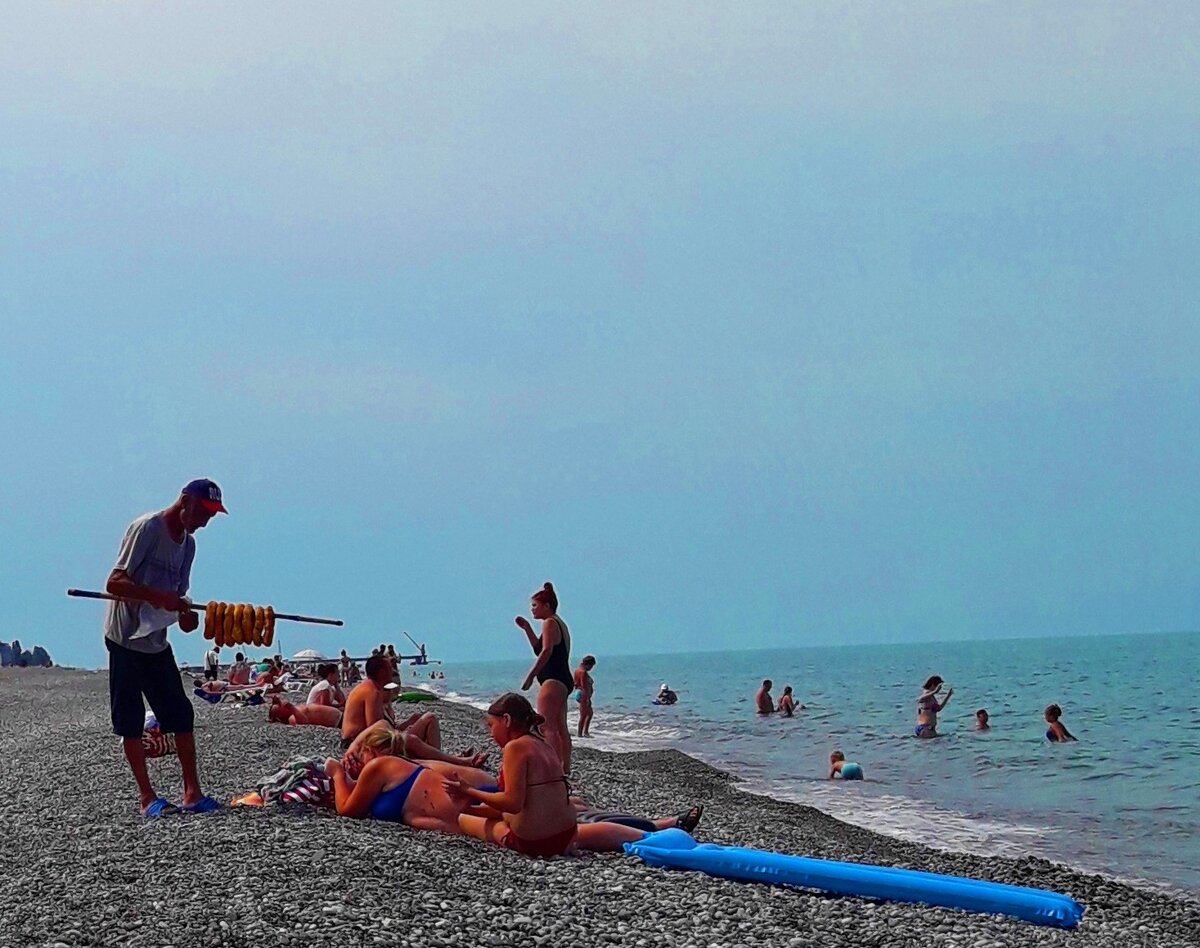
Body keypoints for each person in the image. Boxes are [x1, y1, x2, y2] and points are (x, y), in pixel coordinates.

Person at [103, 478, 226, 817]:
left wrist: (185, 617)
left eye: (211, 516)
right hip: (126, 637)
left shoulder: (188, 546)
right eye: (203, 512)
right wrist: (159, 596)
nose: (205, 521)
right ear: (184, 501)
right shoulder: (147, 529)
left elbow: (178, 600)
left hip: (156, 641)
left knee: (180, 714)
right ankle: (147, 798)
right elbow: (114, 582)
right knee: (129, 718)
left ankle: (192, 793)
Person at [445, 693, 647, 855]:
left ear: (506, 720)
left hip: (536, 842)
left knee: (462, 817)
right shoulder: (542, 743)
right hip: (567, 835)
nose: (491, 734)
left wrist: (469, 791)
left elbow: (512, 803)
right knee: (486, 811)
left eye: (491, 726)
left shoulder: (515, 747)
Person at [516, 581, 573, 775]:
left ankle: (553, 767)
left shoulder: (550, 622)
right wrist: (527, 629)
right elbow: (539, 648)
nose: (532, 609)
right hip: (564, 678)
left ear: (546, 606)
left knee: (545, 725)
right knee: (559, 726)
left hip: (553, 679)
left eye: (534, 605)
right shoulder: (558, 623)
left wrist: (531, 676)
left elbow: (546, 651)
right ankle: (565, 767)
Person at [341, 654, 402, 746]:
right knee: (413, 739)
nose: (393, 671)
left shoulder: (369, 687)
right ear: (382, 672)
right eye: (390, 668)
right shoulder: (372, 692)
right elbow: (376, 729)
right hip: (355, 742)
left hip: (355, 739)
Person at [268, 699, 343, 728]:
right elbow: (304, 722)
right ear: (280, 715)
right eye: (279, 707)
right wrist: (291, 708)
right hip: (337, 721)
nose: (282, 704)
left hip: (339, 715)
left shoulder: (296, 709)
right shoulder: (292, 718)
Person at [573, 655, 596, 738]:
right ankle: (581, 733)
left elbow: (575, 684)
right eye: (591, 666)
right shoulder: (582, 672)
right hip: (583, 695)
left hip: (580, 693)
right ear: (588, 664)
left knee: (589, 714)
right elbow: (584, 686)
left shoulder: (577, 670)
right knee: (584, 715)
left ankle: (584, 732)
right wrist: (586, 699)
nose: (591, 668)